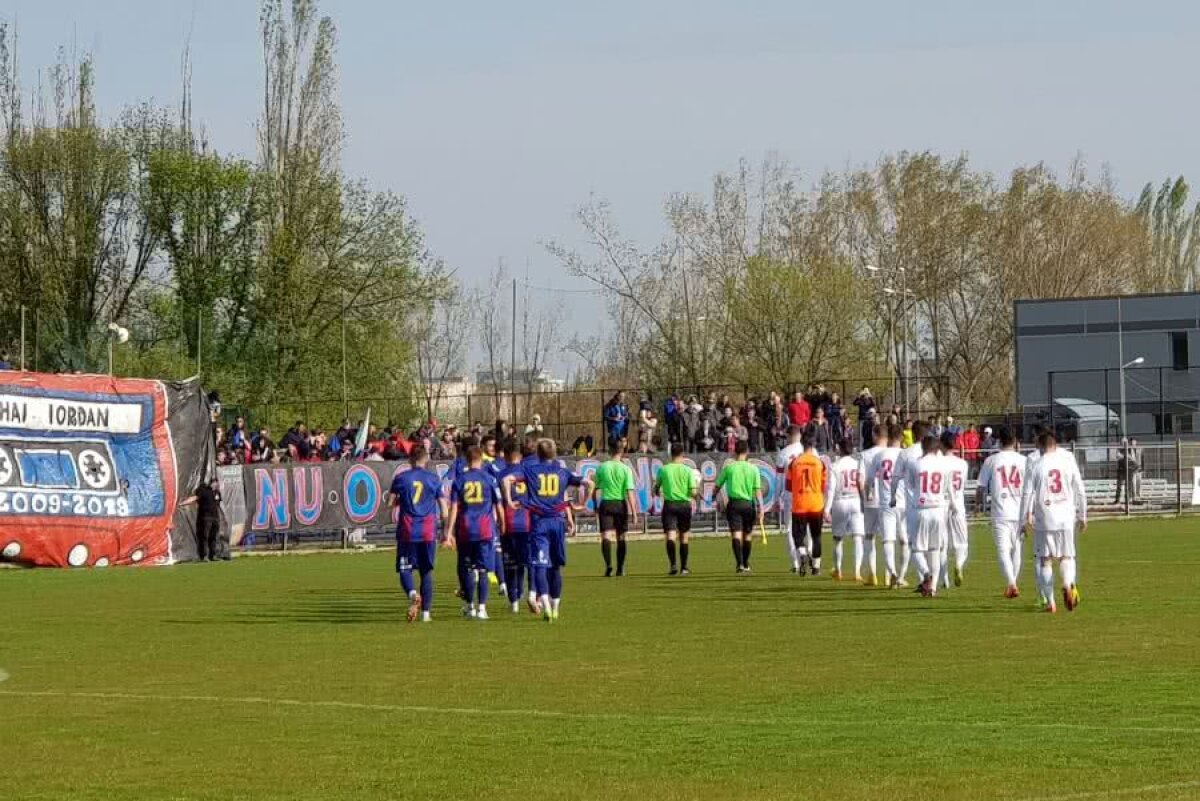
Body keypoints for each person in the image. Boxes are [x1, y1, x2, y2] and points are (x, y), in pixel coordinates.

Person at [521, 439, 591, 621]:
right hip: (557, 522)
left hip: (539, 522)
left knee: (540, 565)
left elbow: (508, 479)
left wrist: (510, 499)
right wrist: (582, 503)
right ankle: (556, 606)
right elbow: (589, 483)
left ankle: (545, 605)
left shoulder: (530, 471)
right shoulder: (563, 472)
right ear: (554, 453)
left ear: (538, 452)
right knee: (556, 567)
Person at [1020, 430, 1087, 613]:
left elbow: (1026, 494)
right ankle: (1067, 584)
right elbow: (1080, 488)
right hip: (1066, 517)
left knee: (1045, 560)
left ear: (1041, 446)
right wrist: (1083, 515)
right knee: (1067, 556)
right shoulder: (1067, 461)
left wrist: (1023, 519)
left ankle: (1051, 603)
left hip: (1044, 519)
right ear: (1055, 445)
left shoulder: (1036, 464)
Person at [388, 447, 446, 623]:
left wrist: (402, 500)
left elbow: (390, 503)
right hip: (428, 530)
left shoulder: (401, 478)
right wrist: (445, 530)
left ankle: (413, 594)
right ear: (426, 459)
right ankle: (426, 614)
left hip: (408, 529)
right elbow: (444, 509)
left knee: (405, 568)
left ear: (410, 459)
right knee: (426, 571)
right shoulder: (434, 479)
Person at [446, 446, 504, 620]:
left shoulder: (459, 480)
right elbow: (498, 504)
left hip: (465, 530)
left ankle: (470, 606)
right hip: (485, 530)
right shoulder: (489, 479)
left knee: (468, 569)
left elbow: (454, 508)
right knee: (483, 570)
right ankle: (482, 608)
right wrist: (502, 523)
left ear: (466, 460)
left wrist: (448, 531)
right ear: (481, 459)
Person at [896, 434, 955, 597]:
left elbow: (911, 485)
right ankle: (933, 587)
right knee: (935, 549)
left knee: (916, 548)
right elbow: (946, 487)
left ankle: (926, 574)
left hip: (921, 508)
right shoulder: (943, 465)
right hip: (938, 509)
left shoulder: (915, 464)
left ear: (923, 447)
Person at [976, 427, 1028, 599]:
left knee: (1003, 550)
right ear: (1015, 442)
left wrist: (978, 505)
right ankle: (1013, 583)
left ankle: (1011, 583)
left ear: (999, 442)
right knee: (1017, 549)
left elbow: (981, 486)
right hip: (1020, 510)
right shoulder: (1024, 460)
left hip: (1000, 511)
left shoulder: (992, 460)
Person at [889, 420, 929, 587]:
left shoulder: (905, 454)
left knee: (914, 545)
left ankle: (927, 575)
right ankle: (927, 581)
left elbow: (895, 477)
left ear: (912, 434)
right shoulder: (935, 453)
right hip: (934, 504)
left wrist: (892, 497)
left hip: (912, 505)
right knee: (930, 545)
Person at [864, 424, 904, 587]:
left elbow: (869, 481)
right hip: (904, 503)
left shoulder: (879, 455)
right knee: (905, 541)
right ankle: (900, 576)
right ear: (901, 437)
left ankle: (892, 572)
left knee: (888, 540)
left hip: (886, 503)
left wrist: (868, 496)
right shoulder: (906, 455)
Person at [715, 441, 764, 573]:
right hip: (748, 504)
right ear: (747, 452)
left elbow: (717, 486)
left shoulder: (729, 468)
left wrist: (714, 497)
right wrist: (762, 508)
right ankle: (746, 563)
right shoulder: (753, 469)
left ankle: (739, 564)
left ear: (734, 452)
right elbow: (758, 490)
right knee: (747, 535)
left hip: (734, 504)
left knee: (736, 535)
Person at [593, 441, 640, 577]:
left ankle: (608, 566)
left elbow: (596, 489)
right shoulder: (626, 469)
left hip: (606, 503)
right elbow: (630, 492)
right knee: (621, 536)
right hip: (620, 504)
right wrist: (634, 512)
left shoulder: (602, 467)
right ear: (621, 452)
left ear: (609, 451)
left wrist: (595, 504)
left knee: (606, 536)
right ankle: (620, 568)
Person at [498, 442, 535, 614]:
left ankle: (514, 601)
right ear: (520, 457)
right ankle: (528, 594)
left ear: (505, 456)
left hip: (509, 524)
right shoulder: (529, 474)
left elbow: (498, 503)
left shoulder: (501, 476)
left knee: (510, 564)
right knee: (525, 563)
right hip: (527, 524)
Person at [654, 444, 699, 575]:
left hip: (670, 505)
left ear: (670, 453)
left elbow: (656, 488)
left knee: (670, 536)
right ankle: (684, 567)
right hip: (684, 505)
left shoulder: (664, 470)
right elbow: (693, 492)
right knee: (684, 537)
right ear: (682, 454)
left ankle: (673, 565)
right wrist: (696, 489)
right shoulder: (688, 471)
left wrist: (658, 492)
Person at [787, 433, 828, 576]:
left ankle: (803, 553)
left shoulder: (794, 463)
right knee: (816, 536)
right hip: (816, 503)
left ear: (802, 445)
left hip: (799, 503)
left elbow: (788, 485)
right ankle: (816, 568)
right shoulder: (819, 463)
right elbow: (823, 486)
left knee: (798, 535)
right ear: (813, 445)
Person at [824, 439, 865, 582]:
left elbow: (831, 489)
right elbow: (862, 483)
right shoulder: (858, 464)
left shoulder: (835, 466)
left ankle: (838, 570)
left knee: (838, 539)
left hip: (840, 502)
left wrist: (826, 509)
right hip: (856, 501)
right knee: (858, 537)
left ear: (839, 449)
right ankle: (857, 571)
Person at [857, 424, 886, 585]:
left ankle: (872, 573)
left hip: (870, 500)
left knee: (869, 536)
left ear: (875, 436)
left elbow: (860, 480)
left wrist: (863, 498)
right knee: (888, 538)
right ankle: (890, 574)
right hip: (887, 501)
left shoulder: (865, 455)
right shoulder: (894, 454)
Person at [775, 426, 806, 572]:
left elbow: (779, 479)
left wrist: (776, 498)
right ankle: (810, 553)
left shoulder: (783, 453)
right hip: (807, 493)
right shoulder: (809, 450)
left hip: (790, 493)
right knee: (808, 526)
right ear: (800, 435)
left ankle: (795, 563)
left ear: (788, 436)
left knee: (789, 528)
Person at [941, 431, 970, 588]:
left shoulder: (938, 462)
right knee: (962, 542)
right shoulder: (963, 464)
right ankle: (958, 564)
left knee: (942, 542)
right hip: (958, 503)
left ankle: (943, 579)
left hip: (942, 503)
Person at [182, 478, 224, 561]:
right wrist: (183, 503)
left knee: (213, 537)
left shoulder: (217, 493)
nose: (216, 484)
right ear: (211, 483)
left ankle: (213, 556)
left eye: (217, 483)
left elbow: (218, 505)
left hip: (215, 518)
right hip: (206, 517)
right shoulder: (204, 491)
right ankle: (203, 556)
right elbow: (195, 498)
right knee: (204, 537)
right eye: (214, 483)